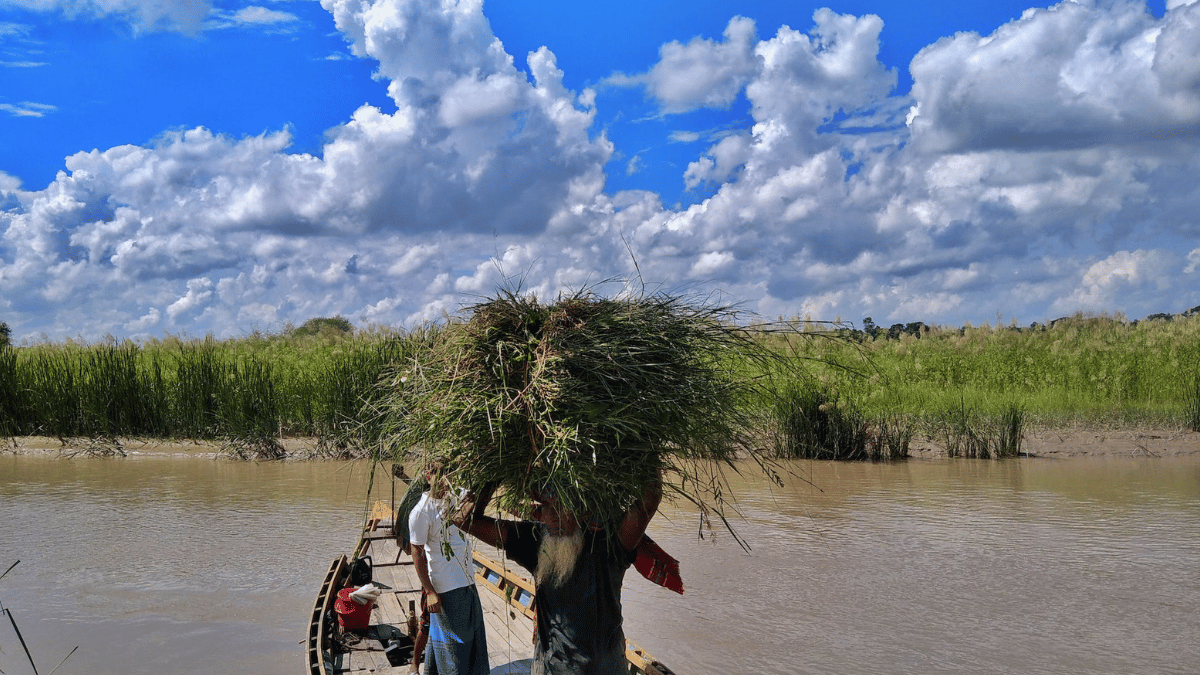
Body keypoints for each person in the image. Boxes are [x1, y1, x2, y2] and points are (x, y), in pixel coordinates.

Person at [454, 476, 662, 675]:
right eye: (547, 506)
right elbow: (463, 519)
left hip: (608, 669)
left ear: (583, 510)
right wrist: (492, 478)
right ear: (540, 511)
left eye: (562, 505)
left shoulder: (609, 543)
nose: (553, 515)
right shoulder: (534, 540)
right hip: (551, 669)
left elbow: (650, 498)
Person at [409, 465, 490, 675]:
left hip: (468, 583)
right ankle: (417, 665)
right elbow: (416, 552)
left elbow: (477, 503)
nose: (447, 479)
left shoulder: (458, 497)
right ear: (429, 477)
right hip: (446, 589)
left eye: (451, 473)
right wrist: (429, 591)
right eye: (441, 473)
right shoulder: (421, 511)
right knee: (454, 648)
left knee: (470, 644)